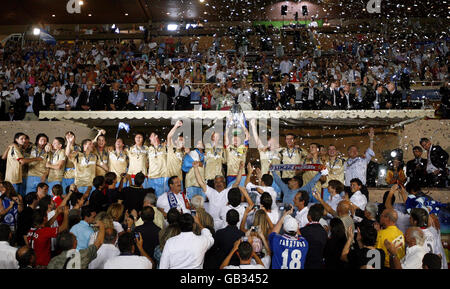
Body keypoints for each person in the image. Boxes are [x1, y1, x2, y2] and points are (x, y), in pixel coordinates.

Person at [192, 160, 243, 229]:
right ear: (214, 184)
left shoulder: (228, 191)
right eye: (216, 182)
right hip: (211, 224)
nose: (218, 184)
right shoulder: (210, 191)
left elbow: (237, 182)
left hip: (225, 224)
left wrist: (240, 169)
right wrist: (195, 168)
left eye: (221, 182)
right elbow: (200, 182)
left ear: (224, 183)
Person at [344, 128, 375, 195]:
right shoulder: (344, 163)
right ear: (348, 153)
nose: (355, 152)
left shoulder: (363, 160)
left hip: (361, 188)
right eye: (352, 150)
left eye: (356, 151)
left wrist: (371, 139)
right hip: (348, 188)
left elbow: (370, 151)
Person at [300, 204, 328, 269]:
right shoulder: (324, 232)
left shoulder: (302, 231)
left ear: (309, 216)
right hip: (319, 265)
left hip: (306, 264)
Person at [146, 132, 168, 197]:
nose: (149, 138)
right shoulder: (148, 149)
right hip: (151, 177)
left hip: (162, 177)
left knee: (161, 199)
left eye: (151, 136)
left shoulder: (165, 147)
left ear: (156, 137)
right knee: (150, 199)